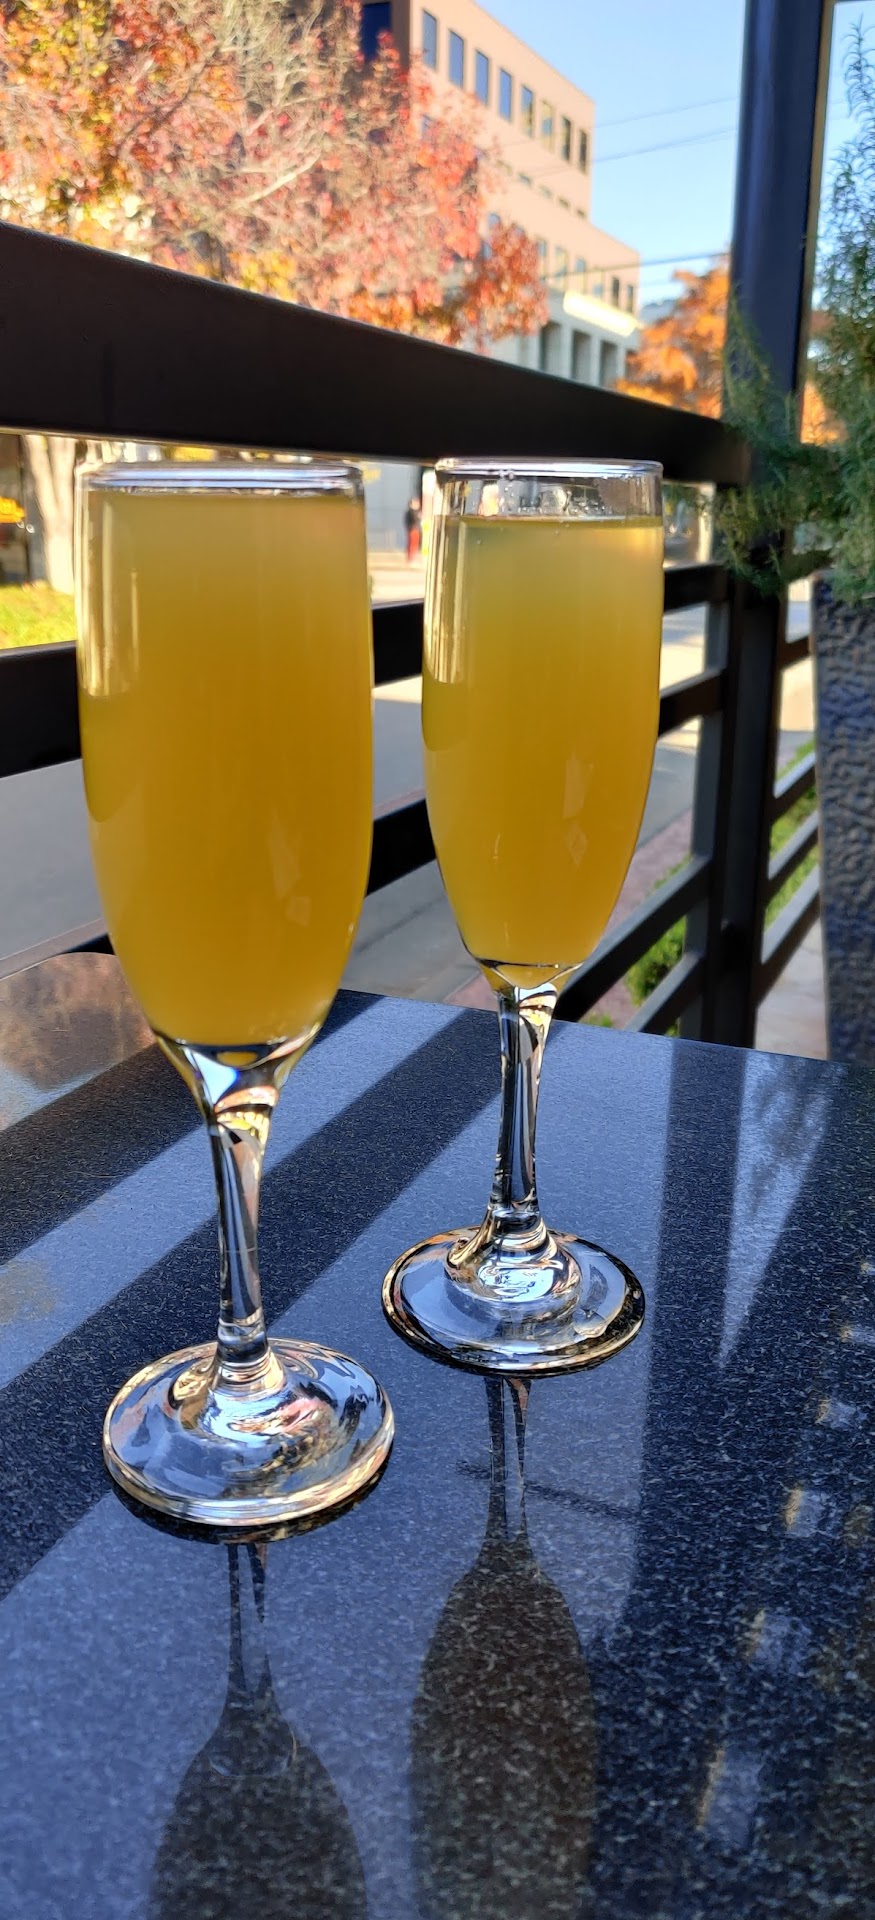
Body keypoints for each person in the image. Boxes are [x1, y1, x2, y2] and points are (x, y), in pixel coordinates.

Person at [404, 496, 422, 562]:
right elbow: (412, 520)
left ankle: (412, 557)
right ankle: (410, 557)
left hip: (416, 529)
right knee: (412, 543)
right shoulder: (411, 512)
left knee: (415, 543)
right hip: (413, 529)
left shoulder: (415, 511)